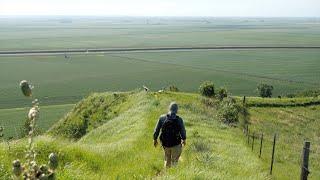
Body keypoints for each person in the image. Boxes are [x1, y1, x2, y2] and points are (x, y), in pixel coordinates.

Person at [153, 102, 186, 168]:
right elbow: (183, 131)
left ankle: (166, 175)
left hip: (165, 144)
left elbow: (157, 129)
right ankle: (173, 175)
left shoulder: (162, 118)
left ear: (169, 109)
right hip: (176, 144)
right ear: (177, 110)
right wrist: (184, 139)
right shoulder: (179, 119)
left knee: (167, 160)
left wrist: (155, 139)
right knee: (174, 161)